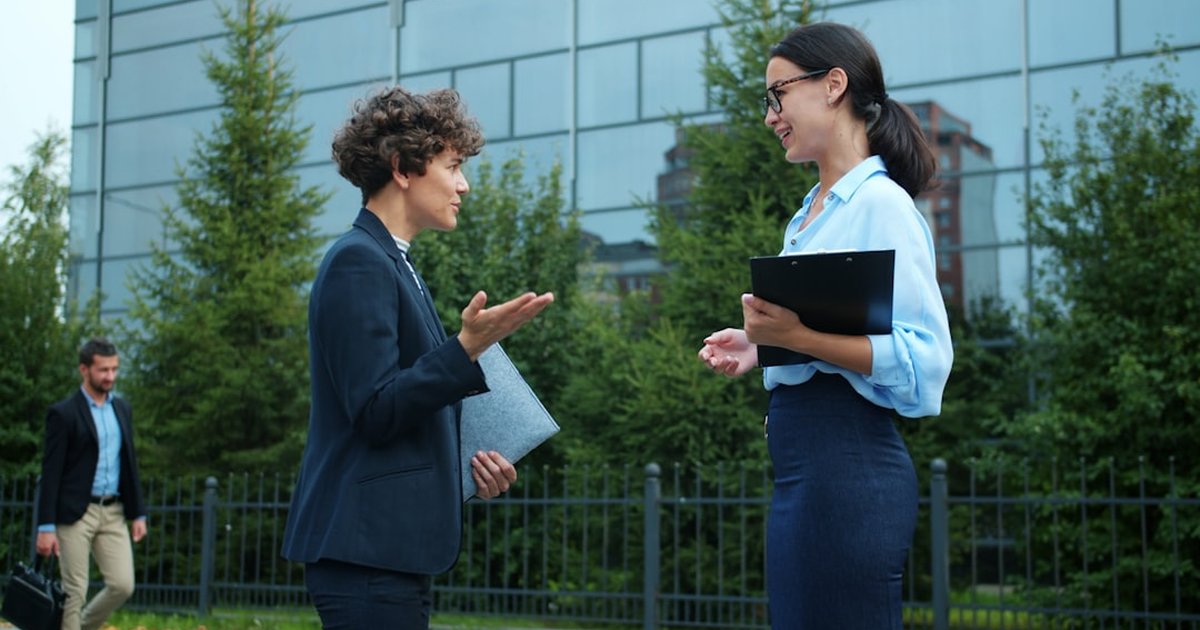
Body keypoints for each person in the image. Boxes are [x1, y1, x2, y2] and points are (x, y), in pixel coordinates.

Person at [698, 22, 953, 629]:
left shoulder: (882, 206)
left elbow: (924, 362)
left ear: (834, 84)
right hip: (808, 475)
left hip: (849, 469)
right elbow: (831, 337)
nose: (770, 116)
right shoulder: (810, 215)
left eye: (778, 94)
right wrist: (761, 349)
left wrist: (795, 339)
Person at [281, 86, 554, 629]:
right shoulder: (358, 262)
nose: (463, 184)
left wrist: (471, 463)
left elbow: (410, 402)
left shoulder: (395, 264)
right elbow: (376, 409)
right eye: (453, 165)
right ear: (403, 167)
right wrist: (466, 348)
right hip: (364, 555)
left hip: (388, 552)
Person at [36, 337, 148, 630]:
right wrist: (45, 527)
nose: (110, 376)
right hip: (76, 512)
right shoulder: (64, 413)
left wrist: (138, 513)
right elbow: (51, 472)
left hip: (113, 511)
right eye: (103, 370)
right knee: (75, 591)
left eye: (114, 369)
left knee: (123, 584)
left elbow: (130, 463)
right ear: (84, 370)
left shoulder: (122, 408)